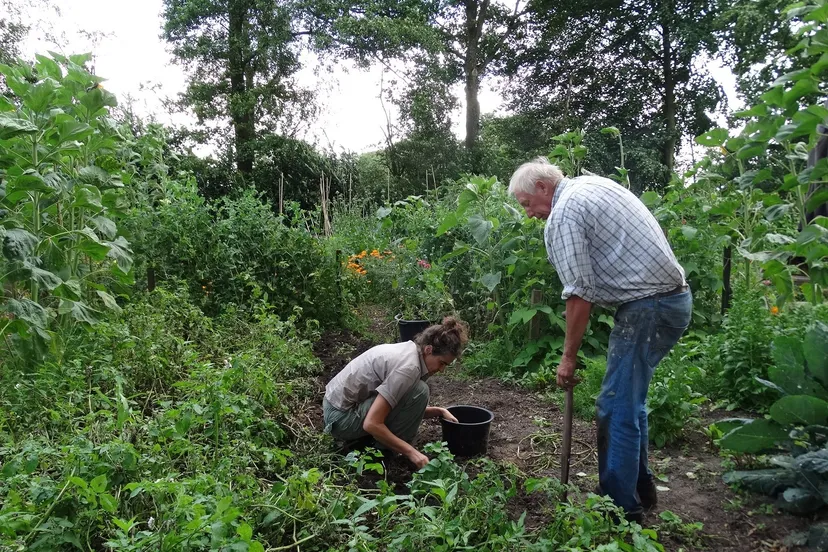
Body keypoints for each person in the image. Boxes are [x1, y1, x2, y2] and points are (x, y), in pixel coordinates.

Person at [508, 157, 692, 523]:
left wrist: (568, 357)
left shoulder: (564, 213)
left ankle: (621, 509)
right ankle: (641, 488)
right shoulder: (594, 185)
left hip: (649, 308)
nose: (529, 215)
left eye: (527, 204)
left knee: (615, 405)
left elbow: (579, 294)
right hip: (672, 300)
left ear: (543, 188)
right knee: (630, 401)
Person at [322, 317, 469, 469]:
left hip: (337, 407)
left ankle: (369, 441)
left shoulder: (411, 352)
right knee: (420, 391)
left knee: (418, 391)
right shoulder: (408, 368)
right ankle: (379, 453)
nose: (442, 370)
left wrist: (439, 411)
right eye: (442, 363)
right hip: (339, 420)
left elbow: (401, 406)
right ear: (429, 350)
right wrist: (411, 452)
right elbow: (372, 423)